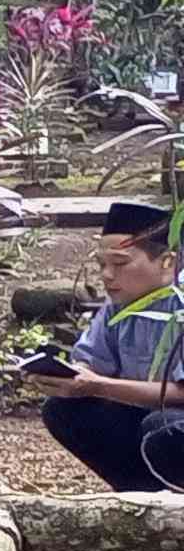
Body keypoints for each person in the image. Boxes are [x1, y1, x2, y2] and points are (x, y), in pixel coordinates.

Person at [37, 201, 184, 493]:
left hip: (171, 421)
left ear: (168, 262)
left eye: (120, 263)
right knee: (63, 410)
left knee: (163, 429)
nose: (106, 275)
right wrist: (66, 377)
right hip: (147, 414)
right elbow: (92, 362)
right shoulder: (118, 306)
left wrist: (98, 385)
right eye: (102, 265)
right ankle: (141, 496)